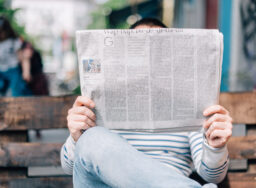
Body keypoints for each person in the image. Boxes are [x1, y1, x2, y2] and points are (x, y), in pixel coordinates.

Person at [61, 18, 232, 188]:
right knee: (92, 139)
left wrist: (215, 147)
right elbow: (70, 168)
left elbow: (212, 175)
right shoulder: (97, 102)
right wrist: (77, 138)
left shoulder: (189, 105)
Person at [0, 16, 31, 96]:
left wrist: (26, 71)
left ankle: (17, 104)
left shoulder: (14, 41)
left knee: (16, 89)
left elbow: (23, 58)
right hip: (1, 71)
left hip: (13, 70)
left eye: (2, 31)